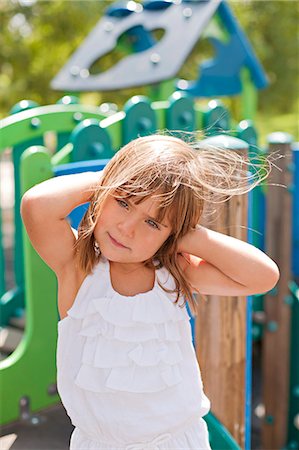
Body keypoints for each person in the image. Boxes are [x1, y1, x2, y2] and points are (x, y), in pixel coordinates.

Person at [21, 134, 279, 450]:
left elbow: (262, 277)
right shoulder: (78, 268)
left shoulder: (173, 273)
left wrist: (188, 236)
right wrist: (113, 178)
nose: (127, 227)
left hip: (179, 442)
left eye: (152, 223)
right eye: (123, 202)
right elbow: (37, 206)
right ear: (103, 194)